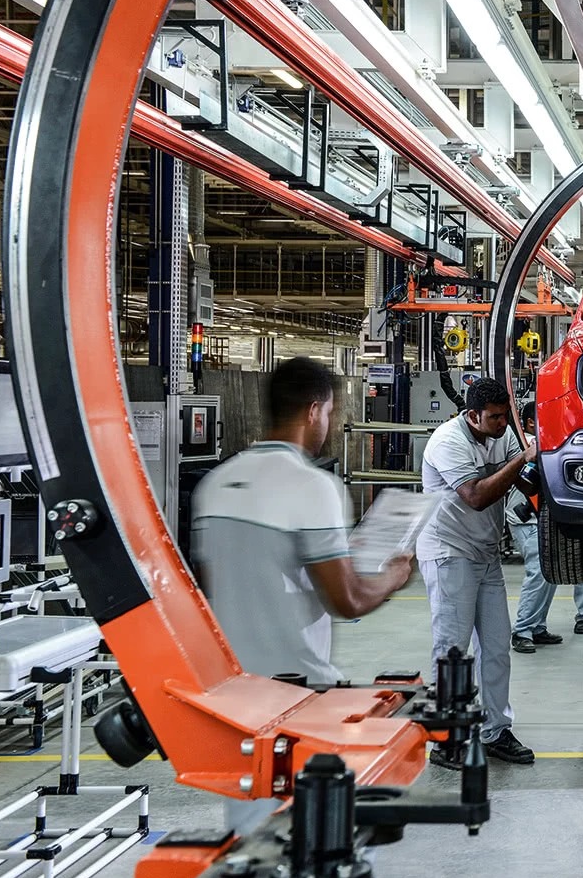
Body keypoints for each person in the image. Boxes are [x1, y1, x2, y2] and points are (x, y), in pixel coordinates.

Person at [192, 357, 413, 834]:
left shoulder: (213, 486)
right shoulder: (313, 486)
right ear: (314, 411)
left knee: (252, 832)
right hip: (298, 693)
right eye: (330, 413)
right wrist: (392, 577)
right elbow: (347, 600)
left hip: (234, 697)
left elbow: (217, 591)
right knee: (314, 837)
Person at [418, 377, 535, 766]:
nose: (503, 424)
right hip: (448, 552)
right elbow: (477, 497)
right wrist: (522, 458)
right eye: (495, 418)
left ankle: (496, 730)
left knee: (497, 647)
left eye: (507, 417)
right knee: (452, 650)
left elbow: (527, 477)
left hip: (485, 554)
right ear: (472, 416)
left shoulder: (503, 434)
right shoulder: (448, 441)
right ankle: (445, 739)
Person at [509, 402, 562, 653]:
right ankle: (522, 630)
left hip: (541, 519)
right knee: (538, 573)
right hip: (525, 519)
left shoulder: (541, 442)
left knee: (549, 574)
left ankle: (537, 626)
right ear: (531, 422)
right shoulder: (528, 443)